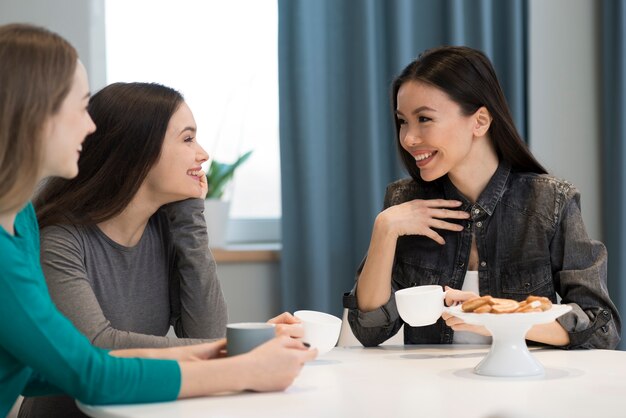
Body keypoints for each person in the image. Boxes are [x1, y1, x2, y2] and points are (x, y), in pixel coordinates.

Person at [0, 23, 316, 418]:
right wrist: (240, 367)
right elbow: (91, 364)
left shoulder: (21, 223)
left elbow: (50, 364)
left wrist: (227, 349)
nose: (90, 125)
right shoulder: (49, 240)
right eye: (79, 107)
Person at [343, 45, 621, 349]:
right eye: (402, 121)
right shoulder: (403, 202)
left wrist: (496, 318)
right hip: (429, 390)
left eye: (424, 119)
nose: (408, 138)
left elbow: (600, 329)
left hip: (524, 390)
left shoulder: (549, 202)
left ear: (480, 121)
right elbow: (370, 332)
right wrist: (384, 229)